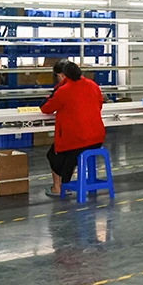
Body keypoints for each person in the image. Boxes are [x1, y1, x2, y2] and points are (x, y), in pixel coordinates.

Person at [41, 60, 105, 197]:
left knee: (54, 154)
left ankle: (58, 187)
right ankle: (65, 183)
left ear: (62, 76)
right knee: (71, 155)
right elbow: (99, 105)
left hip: (77, 140)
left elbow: (46, 109)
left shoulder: (63, 90)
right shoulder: (93, 85)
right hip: (97, 138)